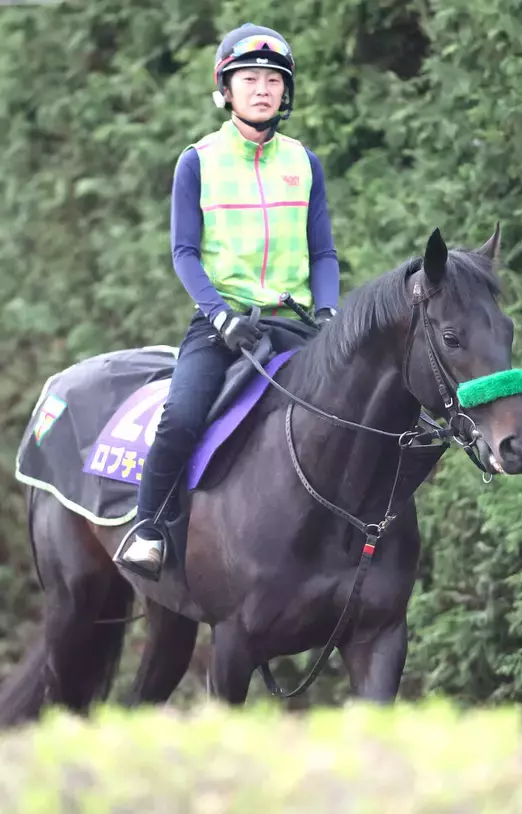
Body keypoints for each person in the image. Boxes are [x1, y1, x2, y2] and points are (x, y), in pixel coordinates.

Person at [119, 23, 340, 578]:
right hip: (223, 325)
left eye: (273, 80)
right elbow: (184, 253)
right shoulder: (198, 160)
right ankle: (148, 529)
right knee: (181, 416)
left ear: (285, 93)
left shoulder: (304, 163)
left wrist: (331, 312)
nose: (262, 88)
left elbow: (324, 254)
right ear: (227, 89)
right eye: (250, 79)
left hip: (295, 325)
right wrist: (218, 314)